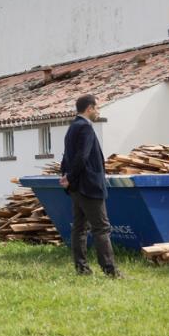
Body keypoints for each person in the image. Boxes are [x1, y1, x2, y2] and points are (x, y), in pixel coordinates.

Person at [59, 94, 122, 278]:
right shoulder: (85, 128)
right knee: (101, 228)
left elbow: (67, 156)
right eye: (97, 107)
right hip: (89, 186)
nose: (98, 111)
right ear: (89, 108)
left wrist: (66, 176)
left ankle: (82, 269)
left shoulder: (72, 127)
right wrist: (69, 176)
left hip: (77, 187)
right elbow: (82, 156)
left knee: (79, 228)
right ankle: (110, 270)